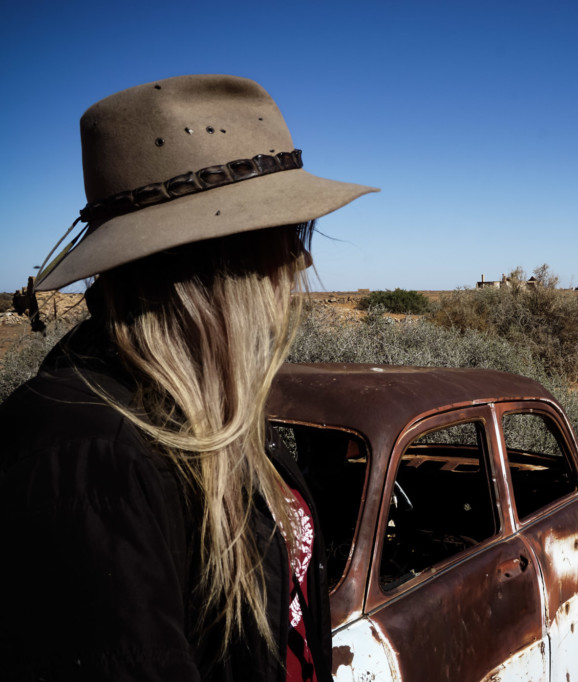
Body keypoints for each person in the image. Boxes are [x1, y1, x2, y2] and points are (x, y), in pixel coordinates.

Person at [0, 75, 377, 681]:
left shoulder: (204, 402)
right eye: (290, 235)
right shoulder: (89, 462)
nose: (300, 263)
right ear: (227, 265)